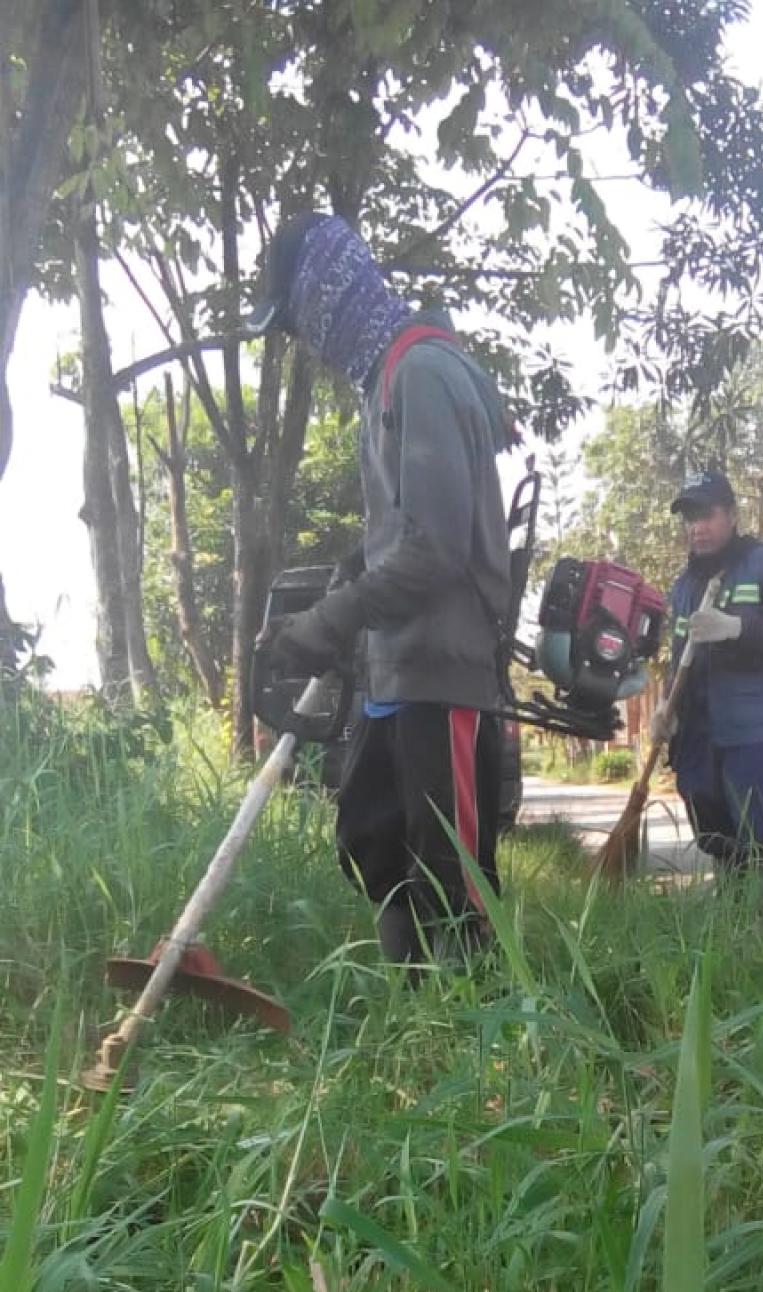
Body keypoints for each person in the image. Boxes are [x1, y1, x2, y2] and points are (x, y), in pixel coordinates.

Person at [248, 211, 512, 971]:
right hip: (395, 667)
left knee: (452, 880)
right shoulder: (385, 380)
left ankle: (481, 1032)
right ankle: (413, 1013)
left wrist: (331, 621)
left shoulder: (421, 373)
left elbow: (434, 547)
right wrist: (347, 577)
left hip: (441, 666)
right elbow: (398, 532)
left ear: (326, 295)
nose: (303, 340)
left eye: (297, 318)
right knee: (373, 837)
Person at [651, 470, 763, 900]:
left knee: (760, 833)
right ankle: (731, 922)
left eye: (707, 515)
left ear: (732, 516)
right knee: (714, 832)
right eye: (690, 518)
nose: (697, 527)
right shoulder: (685, 587)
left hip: (752, 727)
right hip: (699, 734)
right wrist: (665, 708)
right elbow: (678, 656)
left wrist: (737, 628)